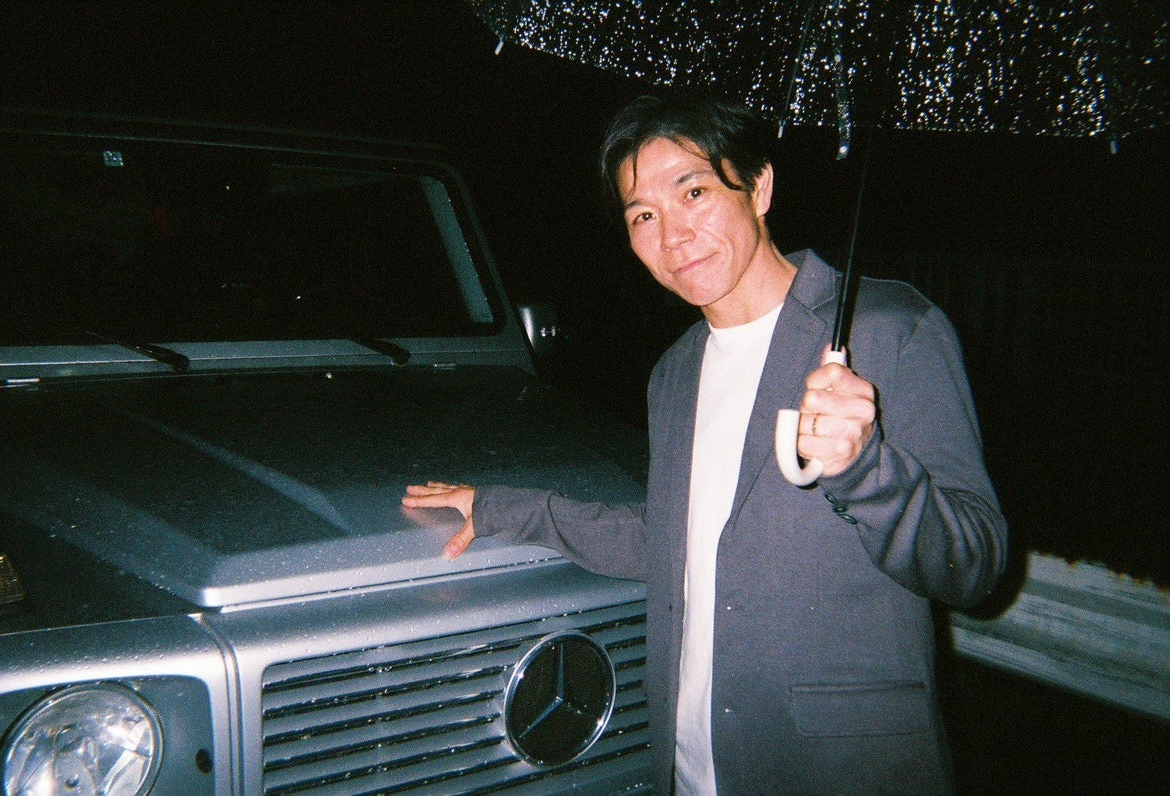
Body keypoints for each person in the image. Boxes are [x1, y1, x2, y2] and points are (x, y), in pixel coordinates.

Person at [403, 92, 1008, 795]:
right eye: (643, 215)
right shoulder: (676, 370)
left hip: (836, 767)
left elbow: (976, 566)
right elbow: (671, 540)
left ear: (759, 187)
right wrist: (500, 509)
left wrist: (866, 468)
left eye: (693, 192)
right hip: (693, 765)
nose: (673, 236)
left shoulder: (889, 328)